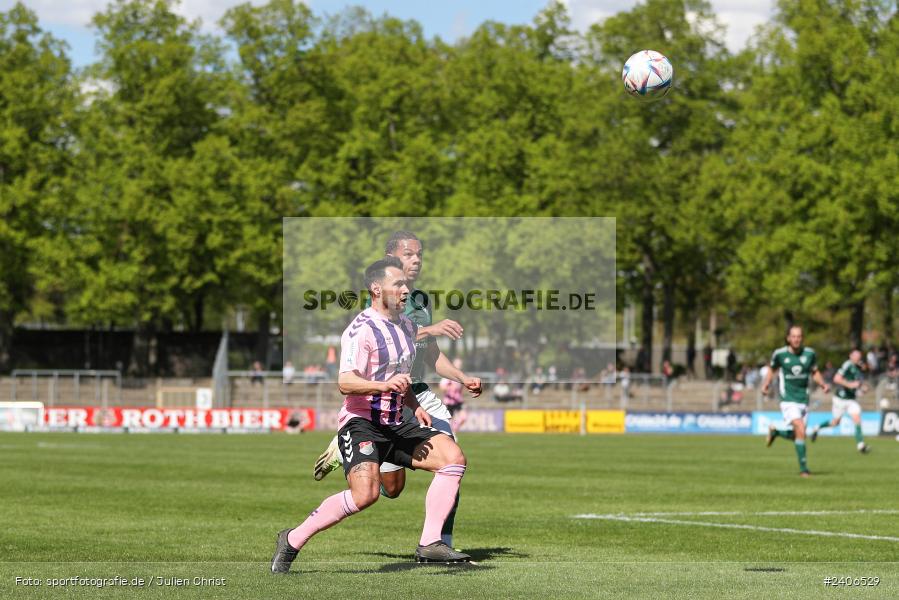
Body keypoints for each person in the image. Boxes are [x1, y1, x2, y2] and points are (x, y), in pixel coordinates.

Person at [271, 256, 470, 574]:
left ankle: (431, 542)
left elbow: (399, 375)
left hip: (398, 421)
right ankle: (292, 539)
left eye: (406, 283)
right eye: (398, 284)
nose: (406, 289)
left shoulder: (406, 325)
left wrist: (414, 404)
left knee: (453, 458)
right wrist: (383, 385)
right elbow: (345, 382)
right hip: (361, 424)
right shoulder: (359, 331)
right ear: (377, 289)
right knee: (366, 495)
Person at [311, 231, 481, 550]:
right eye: (408, 254)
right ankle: (348, 446)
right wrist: (431, 329)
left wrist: (461, 376)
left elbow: (430, 353)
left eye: (420, 254)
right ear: (391, 259)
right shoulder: (380, 298)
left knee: (453, 459)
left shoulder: (421, 300)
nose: (416, 260)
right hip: (382, 400)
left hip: (418, 393)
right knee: (391, 488)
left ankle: (439, 543)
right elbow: (388, 335)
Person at [761, 325, 829, 477]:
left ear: (802, 338)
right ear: (788, 338)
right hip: (788, 399)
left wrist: (823, 384)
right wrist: (766, 384)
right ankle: (804, 469)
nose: (796, 339)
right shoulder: (779, 354)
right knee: (800, 427)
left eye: (799, 336)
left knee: (799, 435)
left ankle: (776, 432)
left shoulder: (810, 354)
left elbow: (815, 371)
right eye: (793, 336)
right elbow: (772, 369)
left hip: (803, 400)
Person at [809, 349, 871, 453]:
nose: (858, 358)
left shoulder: (858, 368)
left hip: (851, 400)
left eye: (859, 356)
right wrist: (850, 385)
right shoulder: (847, 364)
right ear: (850, 356)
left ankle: (861, 445)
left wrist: (862, 389)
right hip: (840, 399)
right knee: (835, 423)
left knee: (857, 418)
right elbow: (836, 379)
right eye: (856, 356)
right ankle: (817, 428)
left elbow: (857, 385)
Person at [439, 358, 467, 432]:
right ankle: (451, 433)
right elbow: (442, 387)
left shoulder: (460, 377)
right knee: (448, 421)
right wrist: (450, 387)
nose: (459, 366)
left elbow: (461, 389)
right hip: (449, 402)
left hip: (458, 401)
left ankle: (453, 430)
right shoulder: (448, 376)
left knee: (463, 417)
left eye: (460, 364)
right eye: (458, 364)